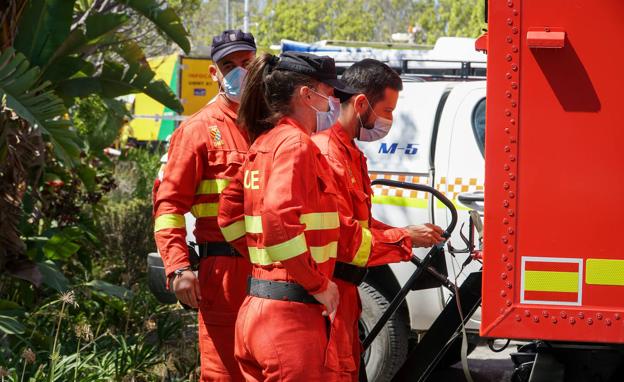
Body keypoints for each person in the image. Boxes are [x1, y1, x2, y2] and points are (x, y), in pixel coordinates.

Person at [217, 52, 360, 381]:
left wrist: (266, 263)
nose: (332, 104)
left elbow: (228, 216)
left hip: (255, 313)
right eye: (328, 93)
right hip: (291, 321)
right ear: (306, 94)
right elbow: (279, 220)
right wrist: (318, 284)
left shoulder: (264, 142)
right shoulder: (297, 144)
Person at [311, 58, 445, 381]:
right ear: (360, 103)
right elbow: (348, 241)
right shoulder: (328, 156)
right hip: (329, 296)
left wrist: (407, 233)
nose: (388, 121)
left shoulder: (351, 154)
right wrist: (405, 238)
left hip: (347, 295)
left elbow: (363, 225)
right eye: (386, 112)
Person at [152, 29, 256, 382]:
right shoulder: (197, 131)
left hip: (273, 272)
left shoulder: (272, 127)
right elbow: (168, 205)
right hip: (223, 273)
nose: (239, 72)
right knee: (225, 374)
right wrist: (179, 268)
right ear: (214, 73)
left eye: (246, 63)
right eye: (228, 65)